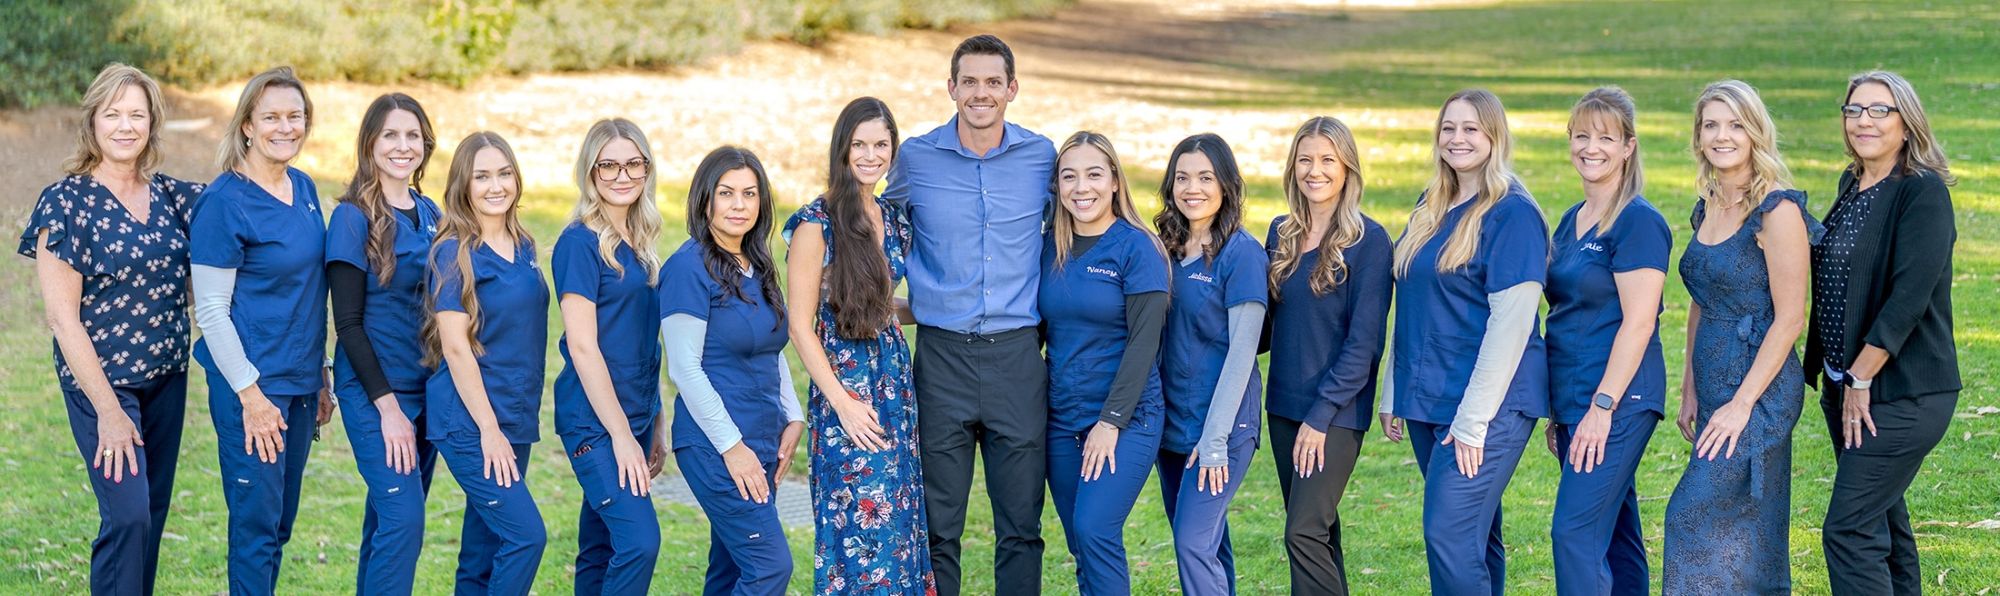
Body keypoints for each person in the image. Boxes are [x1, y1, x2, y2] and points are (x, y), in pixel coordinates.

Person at [19, 63, 202, 596]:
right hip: (101, 383)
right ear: (93, 121)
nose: (125, 126)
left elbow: (199, 278)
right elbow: (62, 318)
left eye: (137, 115)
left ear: (153, 123)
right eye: (113, 114)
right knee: (128, 516)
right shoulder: (66, 203)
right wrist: (109, 411)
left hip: (167, 376)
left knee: (152, 514)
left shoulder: (176, 198)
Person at [881, 34, 1056, 594]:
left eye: (993, 82)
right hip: (942, 361)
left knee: (1021, 527)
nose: (982, 93)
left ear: (1012, 89)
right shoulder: (915, 158)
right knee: (937, 527)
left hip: (1017, 359)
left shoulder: (1043, 158)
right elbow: (878, 232)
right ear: (951, 88)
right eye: (970, 82)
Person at [1376, 89, 1549, 595]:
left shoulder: (1513, 214)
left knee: (1448, 533)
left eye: (1471, 128)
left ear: (1495, 136)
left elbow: (1511, 326)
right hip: (1429, 397)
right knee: (1474, 536)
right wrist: (1394, 390)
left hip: (1489, 407)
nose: (1457, 138)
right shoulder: (1430, 206)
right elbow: (1412, 302)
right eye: (1448, 128)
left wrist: (1473, 423)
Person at [1805, 71, 1960, 596]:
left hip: (1900, 391)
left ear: (1907, 122)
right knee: (1881, 525)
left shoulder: (1922, 192)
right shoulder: (1851, 184)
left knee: (1848, 530)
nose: (1863, 121)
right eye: (1854, 110)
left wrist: (1861, 378)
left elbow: (1907, 300)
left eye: (1879, 110)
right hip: (1845, 386)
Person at [1663, 80, 1816, 594]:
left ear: (1755, 132)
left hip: (1760, 390)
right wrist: (1689, 386)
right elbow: (1701, 299)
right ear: (1698, 136)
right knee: (1747, 525)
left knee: (1689, 515)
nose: (1721, 136)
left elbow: (1790, 318)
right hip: (1713, 383)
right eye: (1711, 125)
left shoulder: (1776, 210)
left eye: (1735, 125)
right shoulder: (1707, 204)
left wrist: (1742, 404)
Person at [187, 65, 336, 596]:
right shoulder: (224, 203)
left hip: (301, 383)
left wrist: (321, 371)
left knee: (279, 527)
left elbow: (308, 288)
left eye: (295, 116)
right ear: (247, 125)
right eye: (271, 117)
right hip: (253, 388)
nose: (285, 127)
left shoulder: (304, 188)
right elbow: (210, 310)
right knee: (255, 531)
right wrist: (250, 395)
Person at [788, 97, 937, 594]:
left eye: (881, 145)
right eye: (860, 145)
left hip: (894, 388)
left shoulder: (892, 217)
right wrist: (843, 403)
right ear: (842, 149)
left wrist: (948, 312)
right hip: (847, 393)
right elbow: (800, 325)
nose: (871, 156)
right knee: (860, 530)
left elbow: (881, 305)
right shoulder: (815, 222)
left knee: (899, 525)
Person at [1541, 86, 1670, 596]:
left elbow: (1639, 323)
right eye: (1581, 136)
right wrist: (1560, 412)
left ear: (1628, 147)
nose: (1590, 148)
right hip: (1574, 400)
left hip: (1618, 399)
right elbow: (1566, 314)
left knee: (1574, 533)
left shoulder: (1638, 221)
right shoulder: (1570, 220)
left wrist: (1602, 406)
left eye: (1606, 138)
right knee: (1615, 534)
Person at [1260, 116, 1391, 596]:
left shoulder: (1370, 241)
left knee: (1302, 533)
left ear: (1347, 167)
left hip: (1335, 412)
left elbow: (1364, 344)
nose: (1314, 171)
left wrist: (1320, 417)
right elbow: (1266, 328)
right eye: (1305, 160)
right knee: (1320, 531)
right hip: (1283, 408)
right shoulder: (1281, 233)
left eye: (1327, 160)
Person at [668, 146, 803, 596]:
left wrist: (793, 415)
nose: (739, 204)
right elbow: (684, 368)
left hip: (763, 438)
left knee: (729, 571)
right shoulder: (687, 267)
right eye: (726, 193)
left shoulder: (757, 264)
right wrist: (733, 448)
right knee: (769, 568)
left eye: (749, 193)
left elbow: (771, 346)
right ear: (705, 199)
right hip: (716, 445)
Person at [1039, 131, 1169, 596]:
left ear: (1114, 180)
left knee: (1095, 530)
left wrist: (1110, 422)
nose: (1081, 188)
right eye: (1069, 176)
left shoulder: (1138, 248)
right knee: (1081, 543)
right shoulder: (1049, 247)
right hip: (1061, 419)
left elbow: (1144, 344)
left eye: (1094, 174)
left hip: (1127, 417)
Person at [326, 92, 443, 595]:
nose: (403, 146)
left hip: (427, 391)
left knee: (386, 524)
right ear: (370, 143)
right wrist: (388, 409)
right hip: (375, 392)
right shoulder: (352, 218)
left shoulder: (432, 211)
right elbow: (348, 325)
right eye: (390, 135)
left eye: (412, 135)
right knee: (403, 519)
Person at [423, 132, 549, 596]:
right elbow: (455, 348)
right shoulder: (452, 252)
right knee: (526, 537)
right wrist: (489, 430)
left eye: (504, 173)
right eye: (482, 177)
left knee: (483, 551)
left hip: (515, 415)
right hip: (472, 422)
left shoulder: (524, 245)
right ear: (464, 184)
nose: (496, 186)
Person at [553, 119, 670, 594]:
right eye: (609, 166)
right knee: (640, 541)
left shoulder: (641, 244)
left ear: (647, 169)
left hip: (636, 415)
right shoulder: (578, 243)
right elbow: (583, 347)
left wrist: (656, 418)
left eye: (633, 164)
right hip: (595, 423)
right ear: (590, 171)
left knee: (599, 547)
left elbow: (643, 340)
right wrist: (621, 436)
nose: (623, 176)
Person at [1153, 133, 1267, 596]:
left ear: (1226, 185)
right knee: (1209, 544)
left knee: (1192, 542)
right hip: (1172, 426)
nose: (1192, 188)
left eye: (1205, 177)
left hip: (1222, 428)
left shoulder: (1242, 254)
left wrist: (1215, 439)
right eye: (1182, 178)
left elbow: (1242, 352)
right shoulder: (1164, 249)